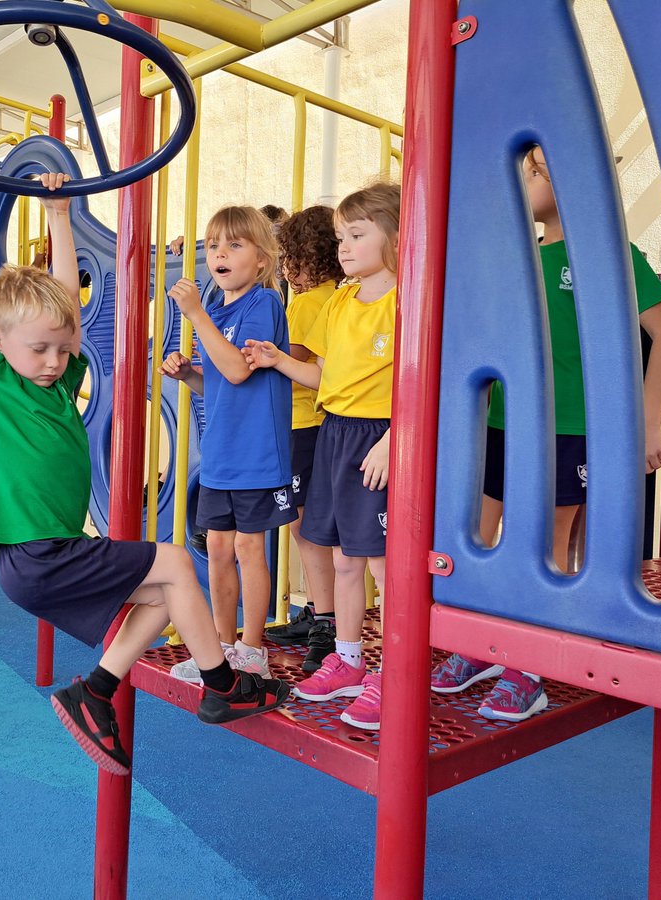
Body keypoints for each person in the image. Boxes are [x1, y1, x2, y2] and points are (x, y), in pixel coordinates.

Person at [0, 154, 290, 776]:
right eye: (37, 348)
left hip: (52, 553)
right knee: (178, 560)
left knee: (162, 596)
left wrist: (59, 214)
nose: (52, 359)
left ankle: (94, 692)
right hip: (35, 553)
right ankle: (224, 685)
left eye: (60, 347)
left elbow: (70, 302)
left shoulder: (58, 377)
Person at [429, 145, 661, 721]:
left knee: (548, 543)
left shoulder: (610, 256)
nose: (525, 182)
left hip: (571, 426)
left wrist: (649, 417)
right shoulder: (514, 258)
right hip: (502, 421)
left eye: (536, 172)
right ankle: (485, 645)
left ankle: (531, 665)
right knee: (484, 538)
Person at [244, 182, 403, 731]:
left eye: (357, 235)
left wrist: (394, 439)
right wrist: (276, 360)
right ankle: (351, 657)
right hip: (336, 429)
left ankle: (394, 671)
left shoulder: (406, 299)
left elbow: (425, 383)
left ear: (398, 237)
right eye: (340, 237)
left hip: (379, 437)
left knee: (385, 565)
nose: (344, 247)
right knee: (342, 559)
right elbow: (323, 376)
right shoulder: (339, 299)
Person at [159, 206, 296, 683]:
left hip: (257, 453)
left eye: (234, 245)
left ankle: (252, 649)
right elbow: (217, 383)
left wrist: (195, 315)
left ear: (261, 260)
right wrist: (188, 373)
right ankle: (221, 647)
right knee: (217, 547)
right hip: (221, 453)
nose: (220, 253)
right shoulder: (216, 311)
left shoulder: (263, 304)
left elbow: (240, 370)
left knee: (247, 548)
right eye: (214, 245)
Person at [261, 206, 343, 675]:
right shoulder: (335, 296)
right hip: (312, 424)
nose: (287, 268)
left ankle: (323, 619)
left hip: (302, 424)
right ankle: (319, 610)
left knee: (306, 527)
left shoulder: (311, 302)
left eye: (289, 258)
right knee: (306, 526)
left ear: (306, 260)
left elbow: (293, 356)